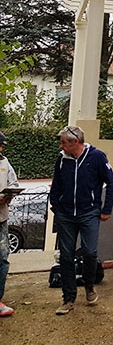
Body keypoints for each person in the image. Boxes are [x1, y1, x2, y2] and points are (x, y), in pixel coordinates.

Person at [49, 126, 113, 316]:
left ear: (75, 142)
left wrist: (106, 209)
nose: (60, 146)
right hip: (66, 215)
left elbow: (110, 182)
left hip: (89, 213)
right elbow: (56, 185)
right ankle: (68, 298)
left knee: (89, 251)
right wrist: (56, 207)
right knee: (66, 256)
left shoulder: (97, 157)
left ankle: (89, 285)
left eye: (63, 142)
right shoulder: (62, 160)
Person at [0, 131, 18, 317]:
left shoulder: (4, 163)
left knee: (2, 259)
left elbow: (14, 183)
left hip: (1, 219)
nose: (1, 148)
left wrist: (9, 195)